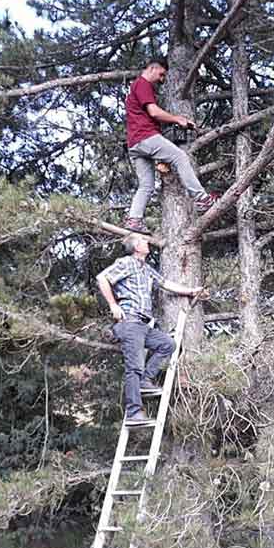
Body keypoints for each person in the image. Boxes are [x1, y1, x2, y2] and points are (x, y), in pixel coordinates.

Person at [97, 232, 204, 425]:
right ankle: (134, 411)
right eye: (143, 240)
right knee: (134, 367)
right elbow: (102, 278)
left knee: (169, 345)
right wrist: (113, 305)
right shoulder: (127, 263)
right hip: (130, 322)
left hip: (144, 325)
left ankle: (146, 380)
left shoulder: (145, 269)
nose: (147, 242)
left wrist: (190, 291)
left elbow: (165, 283)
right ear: (136, 247)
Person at [124, 60, 219, 234]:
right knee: (179, 157)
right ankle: (201, 199)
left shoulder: (134, 89)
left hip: (135, 144)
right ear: (152, 68)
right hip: (145, 137)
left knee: (146, 186)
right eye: (161, 74)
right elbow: (154, 112)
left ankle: (134, 219)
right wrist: (178, 119)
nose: (162, 79)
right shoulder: (143, 83)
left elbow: (148, 116)